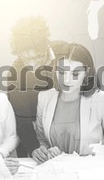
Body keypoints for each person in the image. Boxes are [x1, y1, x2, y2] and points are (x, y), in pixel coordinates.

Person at [33, 43, 104, 172]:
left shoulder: (101, 99)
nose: (66, 80)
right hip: (54, 171)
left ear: (86, 73)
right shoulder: (44, 97)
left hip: (89, 171)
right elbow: (41, 138)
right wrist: (42, 151)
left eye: (75, 74)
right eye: (62, 72)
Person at [7, 16, 65, 157]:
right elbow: (21, 119)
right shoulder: (15, 73)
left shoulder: (65, 52)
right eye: (27, 59)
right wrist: (34, 147)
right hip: (32, 134)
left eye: (37, 57)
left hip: (67, 128)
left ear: (46, 45)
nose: (32, 65)